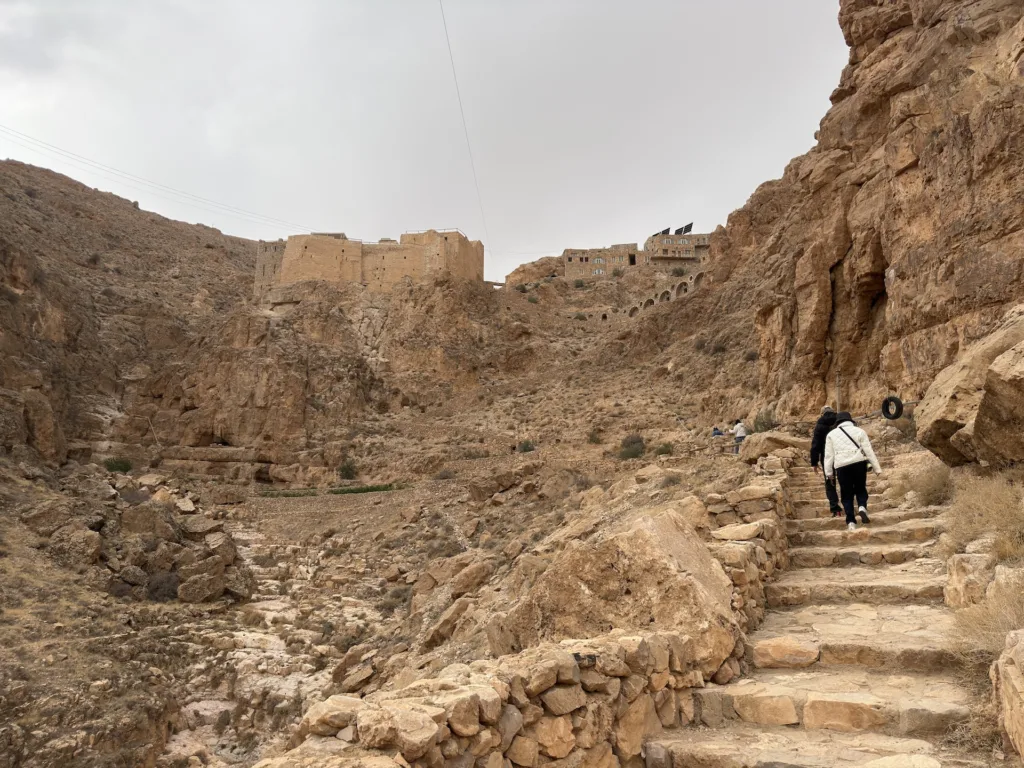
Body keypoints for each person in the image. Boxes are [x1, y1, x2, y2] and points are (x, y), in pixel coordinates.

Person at [824, 411, 882, 532]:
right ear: (850, 420)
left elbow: (828, 456)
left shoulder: (831, 435)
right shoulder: (860, 431)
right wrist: (877, 468)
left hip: (841, 466)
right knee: (860, 488)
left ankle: (851, 522)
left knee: (846, 495)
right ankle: (861, 507)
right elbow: (868, 451)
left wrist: (828, 473)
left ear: (837, 422)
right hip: (859, 463)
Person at [809, 406, 842, 517]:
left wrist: (814, 462)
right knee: (845, 480)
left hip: (827, 457)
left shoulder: (819, 425)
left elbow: (815, 444)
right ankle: (849, 504)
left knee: (830, 481)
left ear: (822, 413)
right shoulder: (839, 421)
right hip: (842, 454)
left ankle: (835, 509)